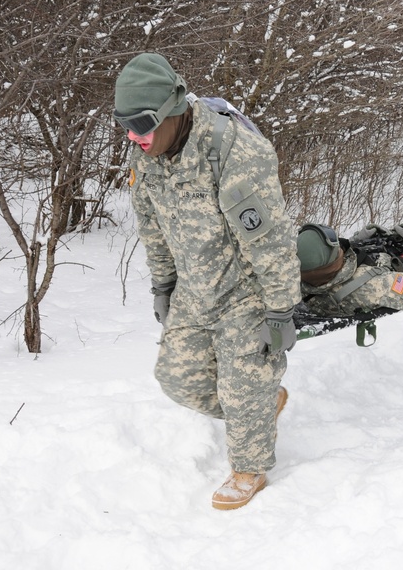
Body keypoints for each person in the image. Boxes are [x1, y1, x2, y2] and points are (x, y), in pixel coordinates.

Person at [115, 53, 301, 510]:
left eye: (140, 124)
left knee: (239, 387)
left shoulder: (233, 152)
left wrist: (280, 308)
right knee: (177, 380)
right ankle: (261, 400)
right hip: (196, 290)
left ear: (173, 110)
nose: (132, 136)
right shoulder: (148, 157)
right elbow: (152, 228)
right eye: (124, 125)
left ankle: (249, 467)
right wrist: (163, 288)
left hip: (246, 290)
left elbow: (271, 241)